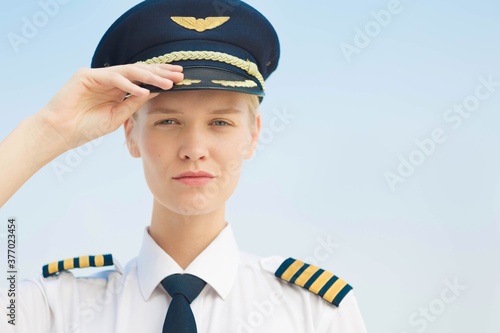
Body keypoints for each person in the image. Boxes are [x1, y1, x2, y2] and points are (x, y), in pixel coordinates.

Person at [0, 0, 367, 332]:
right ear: (130, 133)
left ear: (253, 135)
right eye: (168, 122)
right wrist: (44, 133)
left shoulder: (313, 314)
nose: (194, 149)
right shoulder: (52, 308)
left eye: (220, 123)